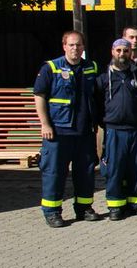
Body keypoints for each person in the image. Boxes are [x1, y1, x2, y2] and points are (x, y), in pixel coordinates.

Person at [33, 31, 99, 227]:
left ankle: (84, 208)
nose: (75, 48)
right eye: (71, 45)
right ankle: (52, 212)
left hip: (84, 132)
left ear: (83, 47)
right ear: (64, 46)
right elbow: (39, 95)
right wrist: (45, 124)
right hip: (58, 132)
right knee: (54, 173)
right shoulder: (51, 68)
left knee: (85, 173)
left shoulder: (91, 67)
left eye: (78, 45)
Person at [95, 38, 137, 221]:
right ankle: (115, 205)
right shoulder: (104, 77)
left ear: (130, 53)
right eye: (118, 50)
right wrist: (102, 123)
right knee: (115, 169)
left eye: (125, 51)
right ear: (113, 51)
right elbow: (97, 103)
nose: (122, 54)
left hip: (136, 129)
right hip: (114, 130)